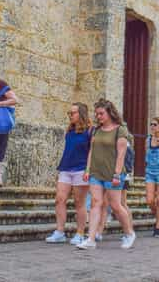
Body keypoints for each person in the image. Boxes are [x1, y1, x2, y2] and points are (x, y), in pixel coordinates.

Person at [76, 99, 136, 250]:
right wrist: (87, 169)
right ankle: (90, 239)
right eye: (97, 114)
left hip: (113, 173)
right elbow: (92, 151)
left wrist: (117, 175)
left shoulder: (119, 130)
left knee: (116, 205)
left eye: (101, 113)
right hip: (96, 172)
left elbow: (121, 154)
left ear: (110, 113)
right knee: (96, 203)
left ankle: (129, 233)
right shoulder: (96, 130)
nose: (99, 116)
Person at [46, 103, 93, 245]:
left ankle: (80, 233)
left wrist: (88, 170)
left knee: (79, 202)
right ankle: (60, 232)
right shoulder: (69, 130)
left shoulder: (90, 131)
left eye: (73, 113)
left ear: (81, 114)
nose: (70, 115)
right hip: (66, 168)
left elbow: (92, 151)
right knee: (59, 199)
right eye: (69, 113)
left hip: (81, 169)